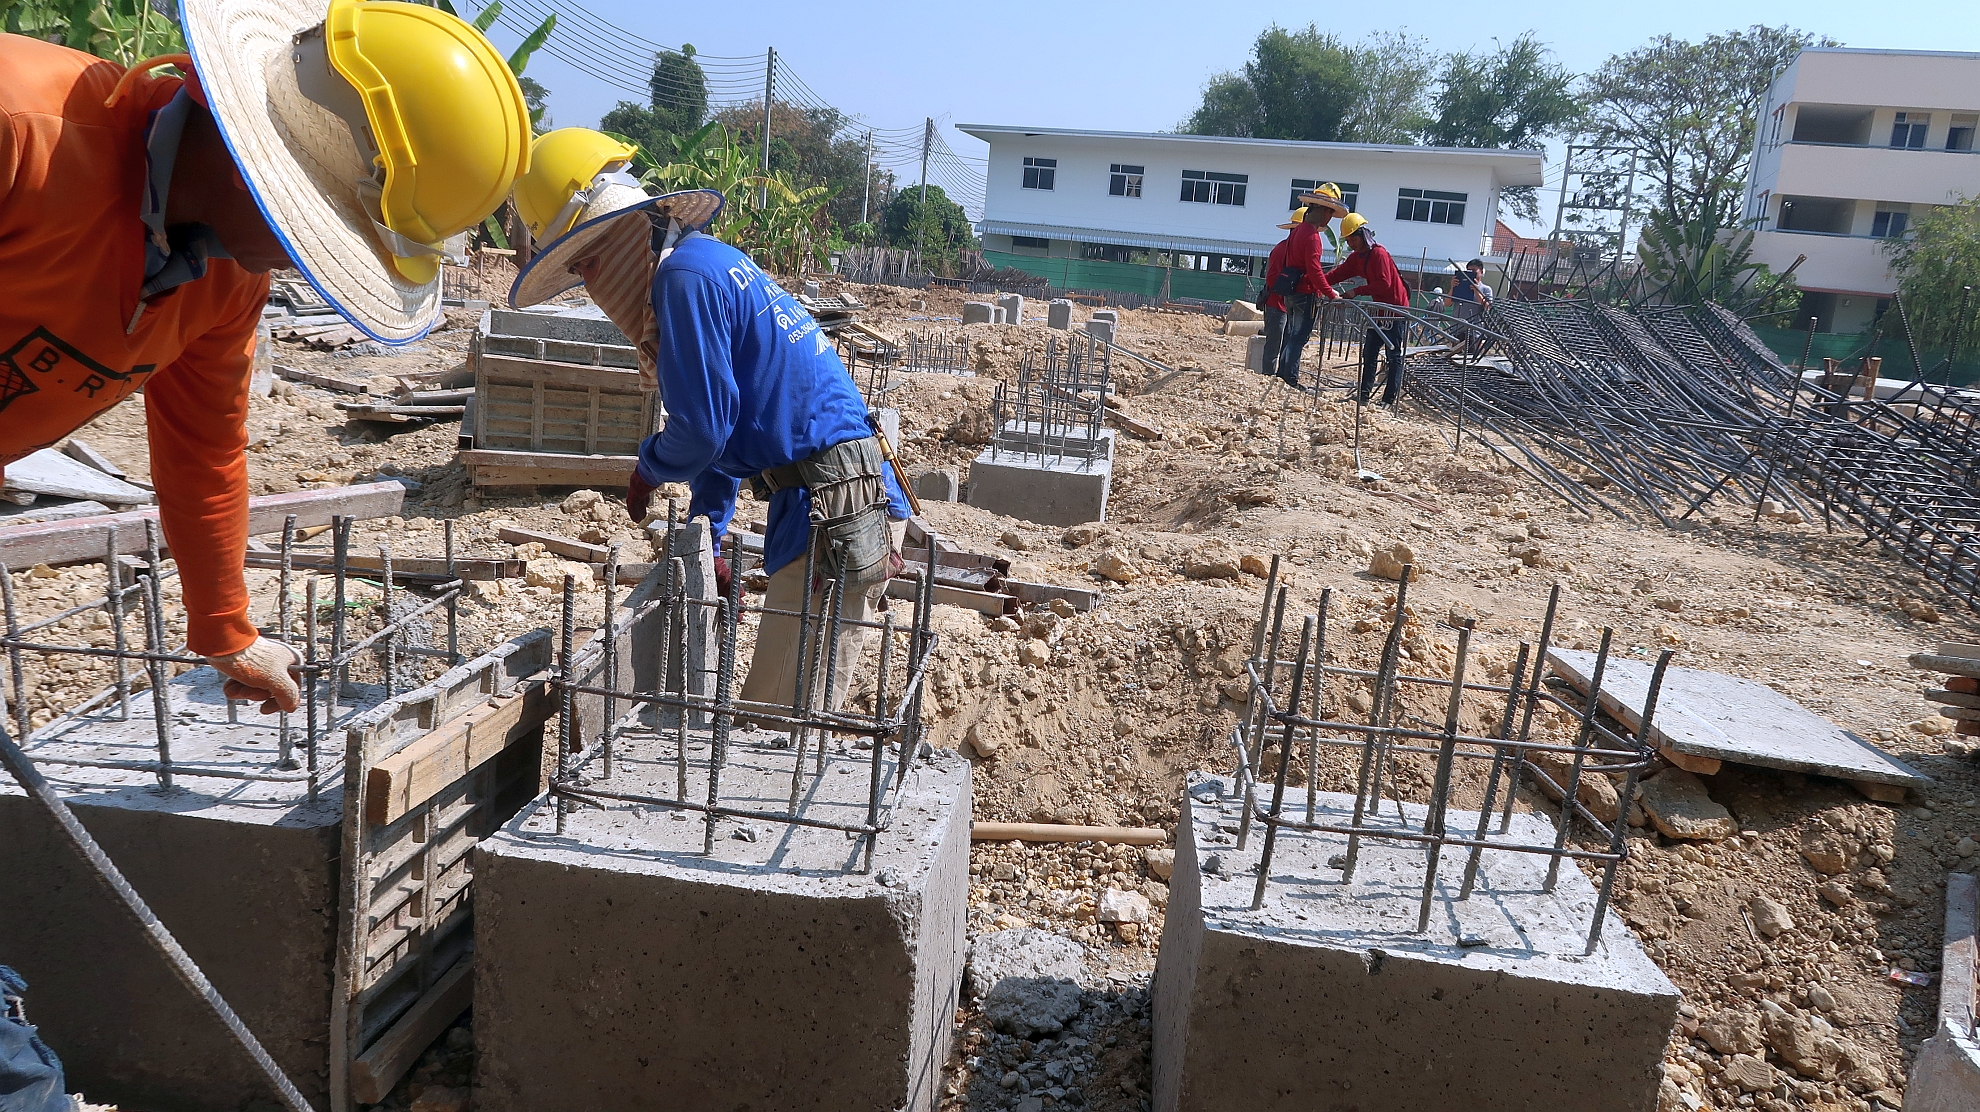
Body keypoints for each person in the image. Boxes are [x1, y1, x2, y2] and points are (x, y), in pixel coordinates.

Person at [0, 1, 530, 713]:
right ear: (258, 159)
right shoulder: (24, 130)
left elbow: (205, 451)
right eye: (322, 233)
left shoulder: (224, 280)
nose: (303, 267)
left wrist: (226, 631)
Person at [508, 128, 911, 716]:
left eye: (589, 265)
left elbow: (702, 429)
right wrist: (710, 534)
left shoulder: (682, 281)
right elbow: (725, 436)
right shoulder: (704, 264)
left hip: (835, 511)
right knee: (777, 716)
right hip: (832, 501)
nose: (592, 288)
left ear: (620, 238)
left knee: (776, 729)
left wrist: (648, 466)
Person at [1325, 214, 1410, 405]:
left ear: (1363, 235)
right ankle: (1363, 396)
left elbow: (1384, 284)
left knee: (1393, 355)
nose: (1350, 244)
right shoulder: (1357, 258)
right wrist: (1316, 282)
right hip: (1379, 311)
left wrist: (1356, 291)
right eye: (1347, 240)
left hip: (1395, 311)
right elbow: (1338, 274)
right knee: (1369, 353)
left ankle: (1388, 400)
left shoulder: (1378, 254)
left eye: (1352, 239)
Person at [1270, 186, 1347, 388]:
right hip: (1305, 293)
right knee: (1299, 337)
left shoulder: (1297, 232)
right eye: (1330, 213)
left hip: (1291, 291)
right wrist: (1331, 294)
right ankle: (1291, 378)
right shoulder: (1312, 236)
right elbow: (1314, 271)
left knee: (1291, 333)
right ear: (1324, 211)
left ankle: (1282, 374)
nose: (1330, 219)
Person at [1256, 208, 1302, 376]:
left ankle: (1281, 376)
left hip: (1289, 306)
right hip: (1277, 305)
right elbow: (1272, 279)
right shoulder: (1282, 250)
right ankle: (1267, 377)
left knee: (1287, 345)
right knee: (1273, 346)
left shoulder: (1296, 252)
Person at [1451, 258, 1495, 358]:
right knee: (1455, 359)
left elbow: (1487, 306)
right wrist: (1452, 287)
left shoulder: (1486, 289)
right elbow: (1447, 303)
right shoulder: (1460, 287)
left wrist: (1476, 290)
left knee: (1471, 359)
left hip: (1475, 332)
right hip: (1457, 329)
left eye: (1474, 271)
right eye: (1469, 271)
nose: (1471, 274)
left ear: (1482, 272)